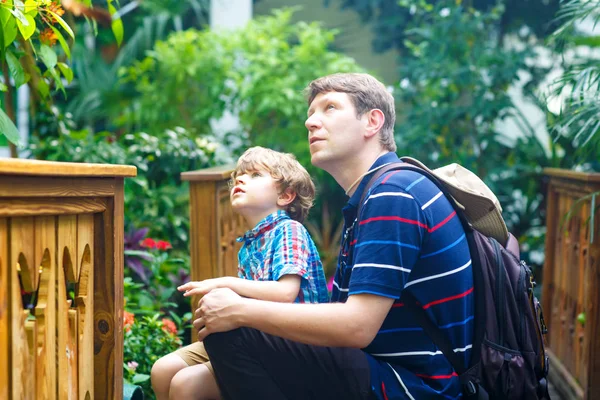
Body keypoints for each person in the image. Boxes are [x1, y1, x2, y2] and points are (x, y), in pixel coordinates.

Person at [192, 73, 476, 400]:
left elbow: (357, 326)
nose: (311, 122)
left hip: (415, 387)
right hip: (385, 370)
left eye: (329, 108)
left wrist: (240, 310)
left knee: (234, 333)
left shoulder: (393, 195)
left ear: (372, 121)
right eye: (311, 113)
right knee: (202, 369)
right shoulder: (377, 193)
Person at [150, 146, 329, 400]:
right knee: (163, 369)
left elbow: (285, 293)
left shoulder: (289, 230)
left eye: (255, 175)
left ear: (286, 195)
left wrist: (224, 284)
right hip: (256, 337)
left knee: (186, 385)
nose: (240, 179)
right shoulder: (249, 246)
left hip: (291, 344)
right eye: (238, 176)